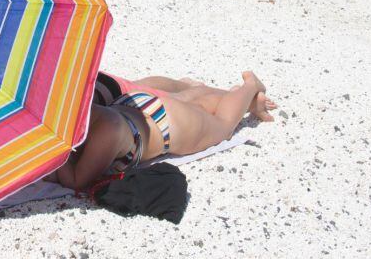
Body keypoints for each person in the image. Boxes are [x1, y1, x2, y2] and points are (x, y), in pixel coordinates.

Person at [52, 72, 277, 192]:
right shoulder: (78, 112)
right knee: (192, 102)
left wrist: (56, 149)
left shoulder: (106, 132)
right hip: (136, 107)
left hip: (165, 128)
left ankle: (250, 87)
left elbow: (77, 181)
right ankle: (244, 100)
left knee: (222, 125)